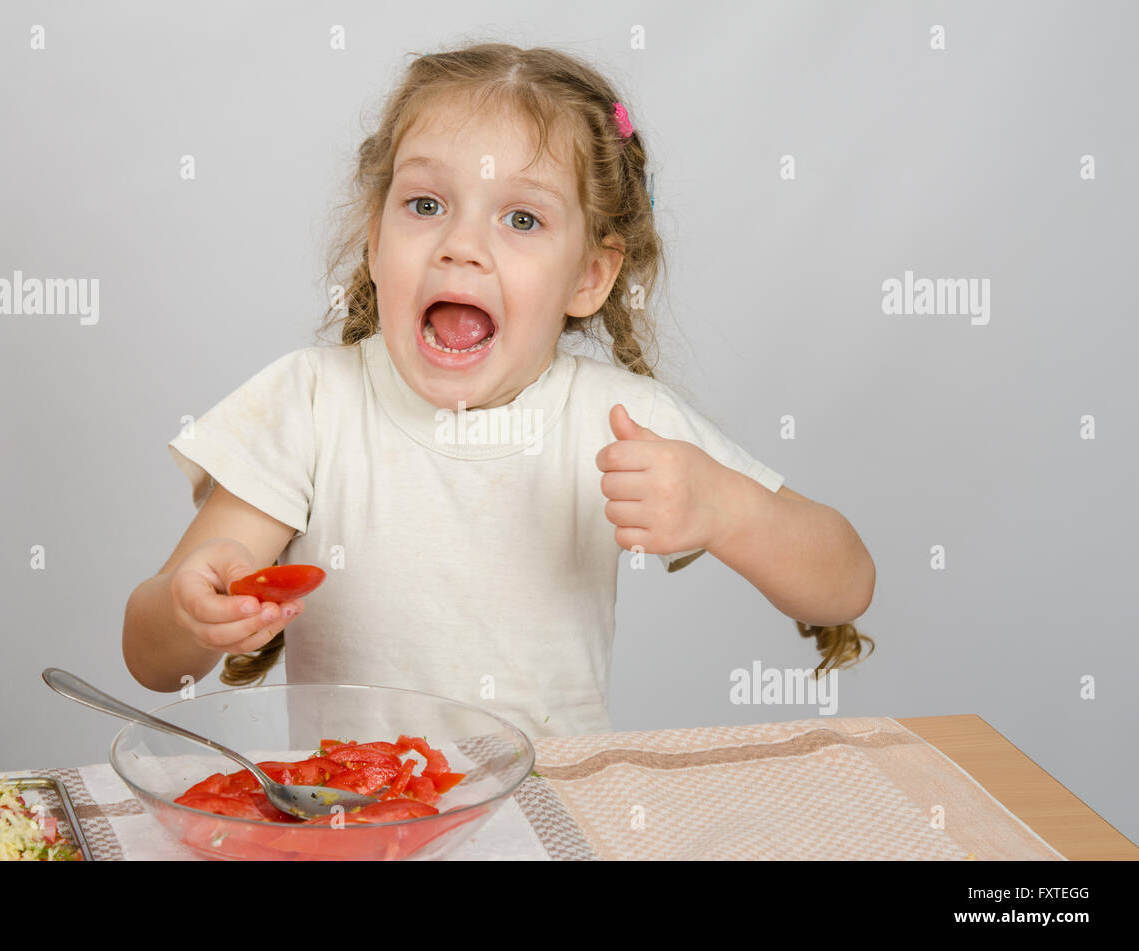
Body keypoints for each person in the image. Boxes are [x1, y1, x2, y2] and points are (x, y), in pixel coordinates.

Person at [122, 42, 876, 737]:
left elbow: (845, 582)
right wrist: (195, 613)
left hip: (551, 822)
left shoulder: (612, 420)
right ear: (376, 242)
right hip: (359, 825)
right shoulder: (309, 405)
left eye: (521, 218)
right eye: (425, 205)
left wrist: (727, 507)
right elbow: (152, 659)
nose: (462, 246)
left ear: (590, 276)